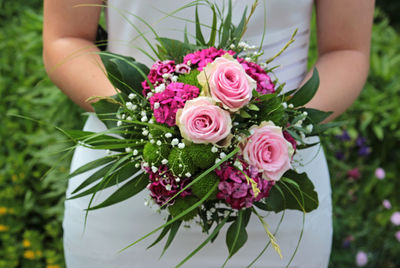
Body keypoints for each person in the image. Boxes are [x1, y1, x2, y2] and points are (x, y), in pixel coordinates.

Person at [42, 0, 375, 267]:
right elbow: (66, 39)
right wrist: (151, 122)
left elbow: (346, 50)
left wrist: (269, 132)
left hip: (275, 181)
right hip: (128, 188)